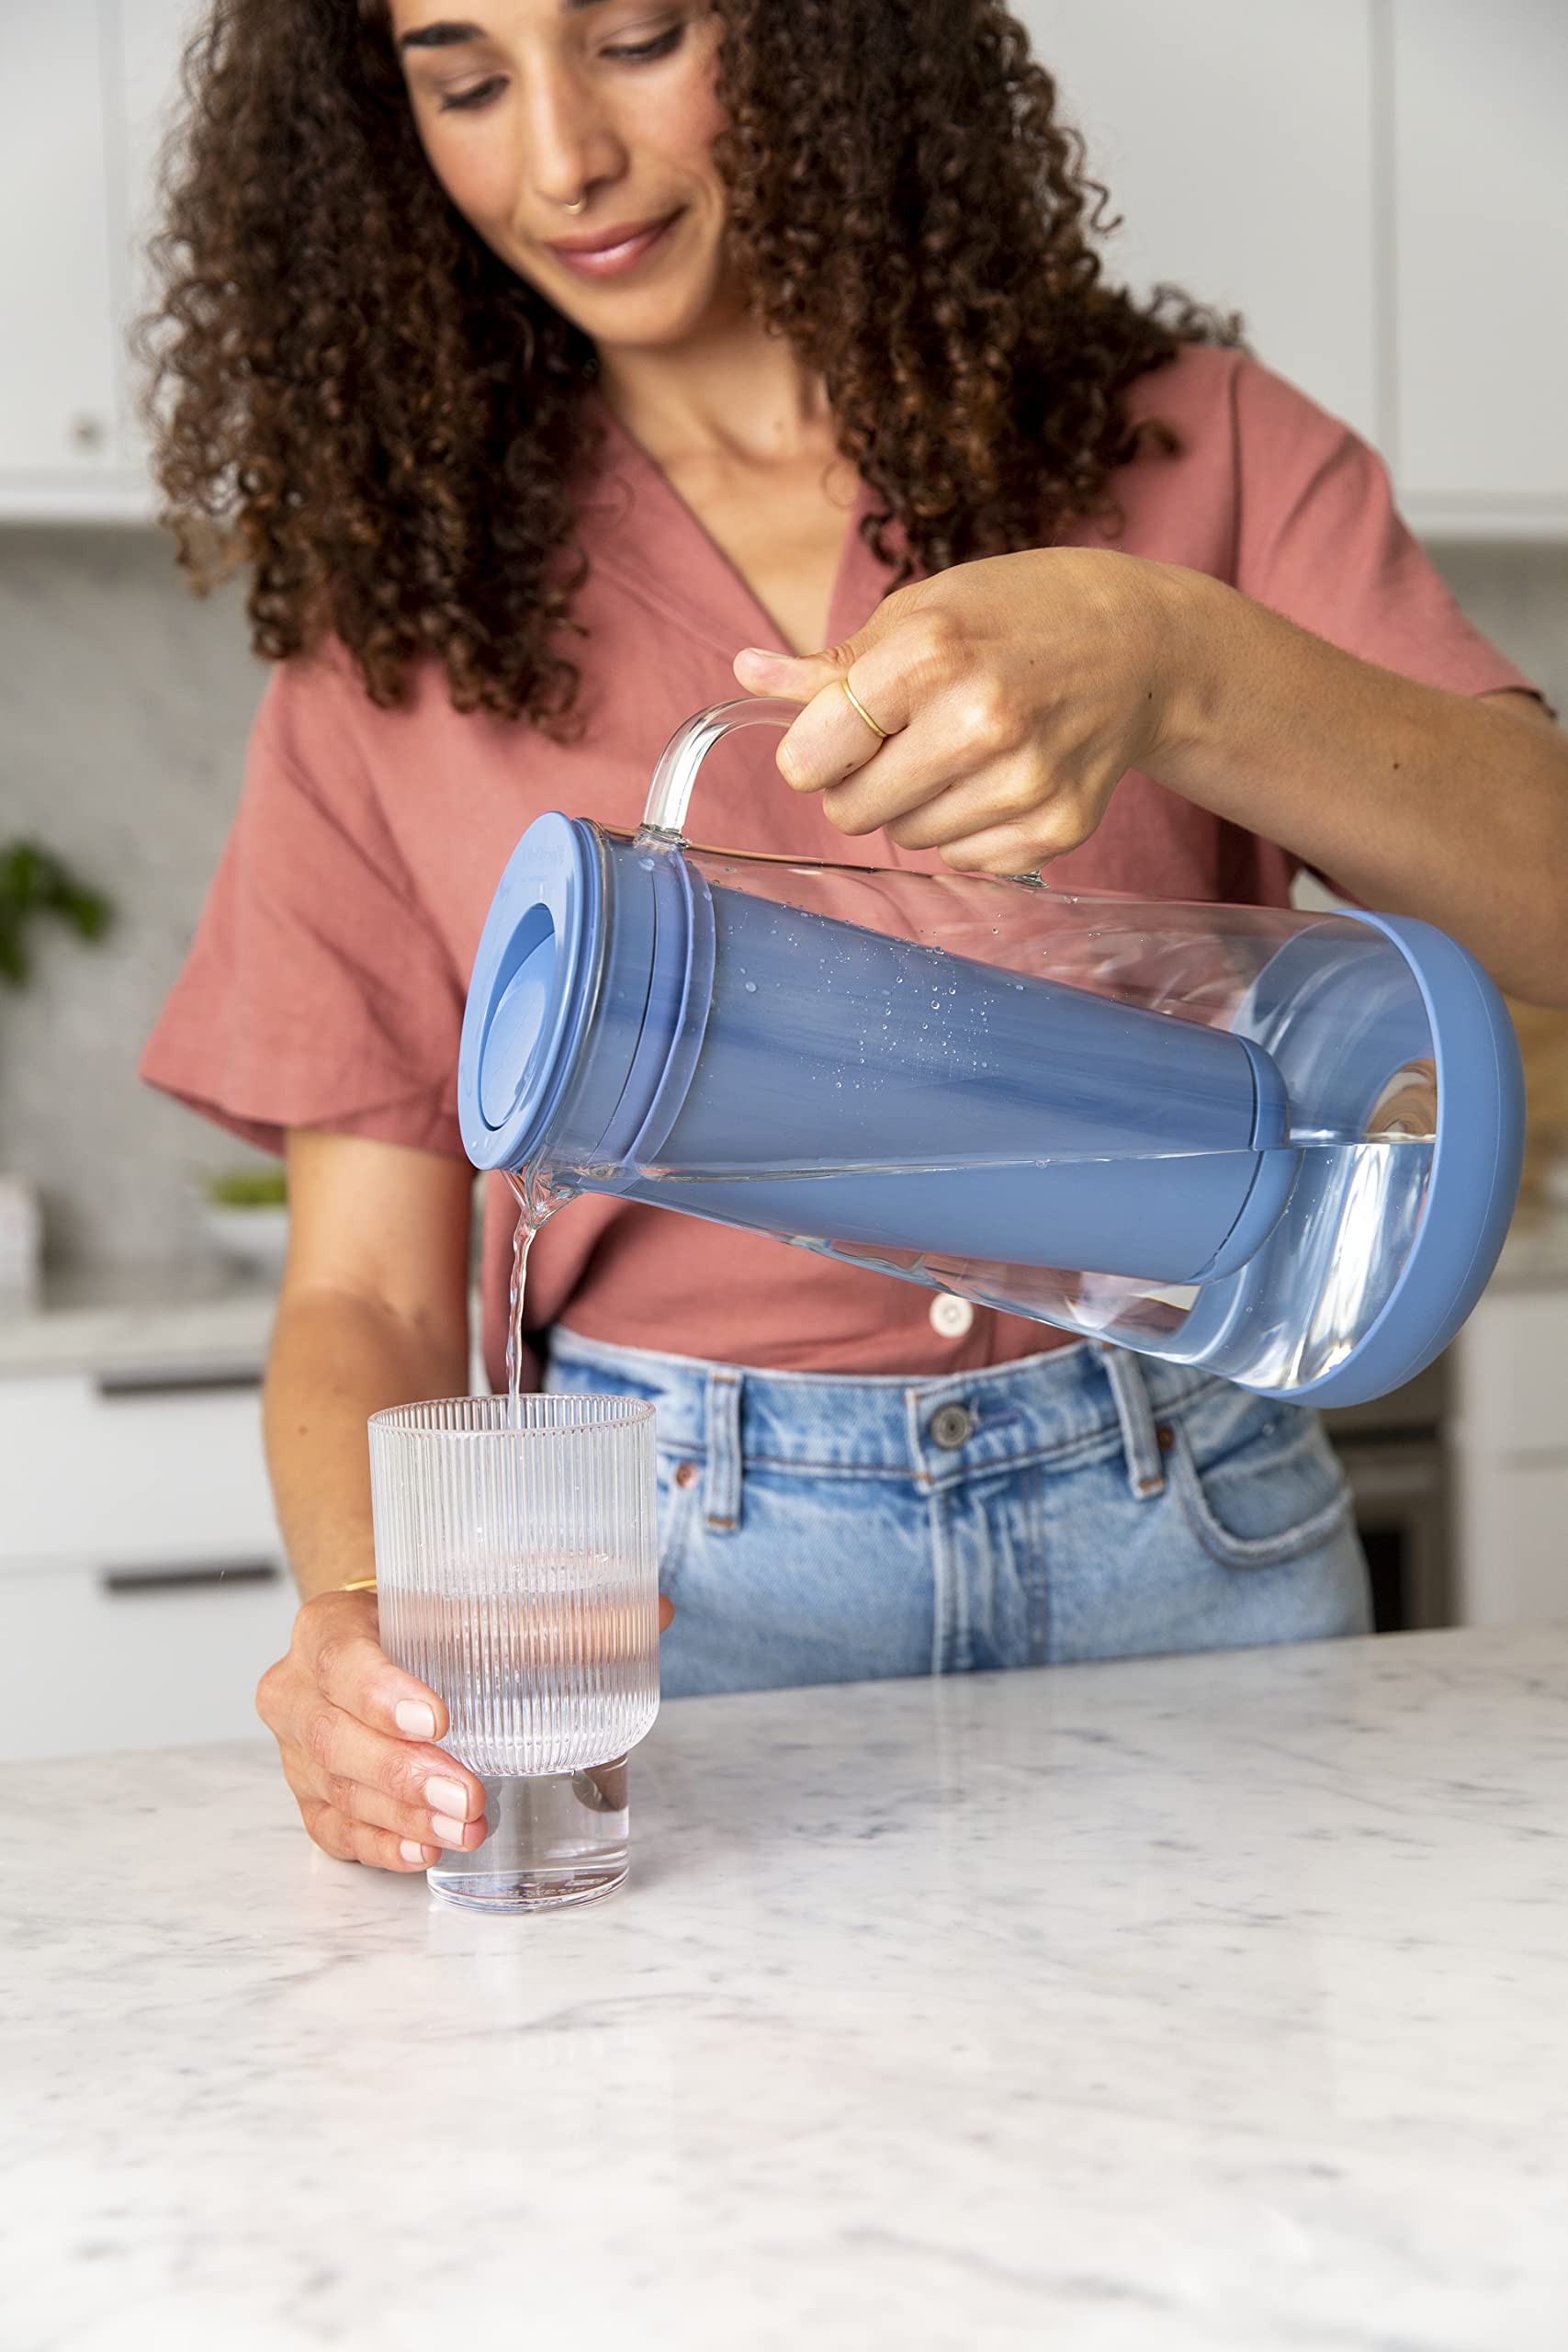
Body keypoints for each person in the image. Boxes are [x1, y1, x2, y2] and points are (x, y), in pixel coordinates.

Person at [141, 0, 1565, 1877]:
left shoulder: (1190, 450)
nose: (558, 157)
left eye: (637, 36)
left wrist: (1186, 669)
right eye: (464, 81)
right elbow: (372, 1298)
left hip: (1183, 1507)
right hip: (679, 1589)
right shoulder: (391, 618)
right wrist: (359, 1609)